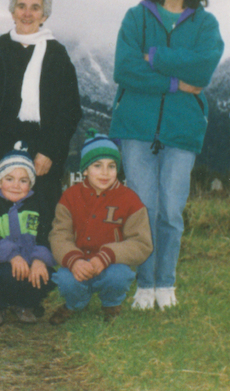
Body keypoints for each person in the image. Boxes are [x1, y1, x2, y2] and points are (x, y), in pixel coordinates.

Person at [109, 0, 224, 310]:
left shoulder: (206, 23)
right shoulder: (136, 17)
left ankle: (166, 284)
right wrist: (176, 82)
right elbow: (125, 69)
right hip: (137, 128)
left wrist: (155, 56)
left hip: (182, 130)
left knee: (171, 210)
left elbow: (203, 69)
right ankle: (144, 285)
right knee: (143, 209)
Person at [0, 0, 82, 236]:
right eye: (21, 6)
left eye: (35, 8)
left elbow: (69, 111)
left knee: (40, 228)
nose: (27, 13)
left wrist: (50, 151)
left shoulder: (57, 56)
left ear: (44, 15)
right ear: (12, 11)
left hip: (42, 152)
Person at [48, 130, 152, 324]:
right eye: (97, 166)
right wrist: (74, 260)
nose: (105, 173)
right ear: (85, 170)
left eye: (111, 166)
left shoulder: (130, 200)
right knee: (65, 279)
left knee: (120, 276)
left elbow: (141, 243)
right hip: (78, 264)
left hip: (111, 265)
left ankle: (112, 304)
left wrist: (107, 256)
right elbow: (59, 235)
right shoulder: (70, 196)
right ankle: (75, 304)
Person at [0, 142, 57, 326]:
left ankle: (26, 304)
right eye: (9, 179)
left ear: (31, 183)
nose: (16, 186)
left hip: (30, 262)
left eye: (23, 180)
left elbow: (47, 234)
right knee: (7, 275)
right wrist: (12, 256)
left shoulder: (39, 205)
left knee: (46, 276)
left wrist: (39, 259)